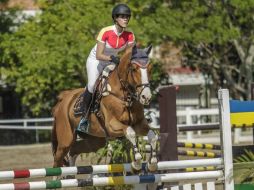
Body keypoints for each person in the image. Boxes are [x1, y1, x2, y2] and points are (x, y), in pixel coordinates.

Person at [74, 4, 135, 129]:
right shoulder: (105, 31)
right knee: (92, 85)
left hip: (113, 61)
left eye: (127, 17)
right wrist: (112, 58)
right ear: (115, 18)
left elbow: (128, 56)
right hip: (96, 60)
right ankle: (84, 118)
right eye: (122, 17)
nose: (126, 19)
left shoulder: (130, 35)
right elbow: (99, 55)